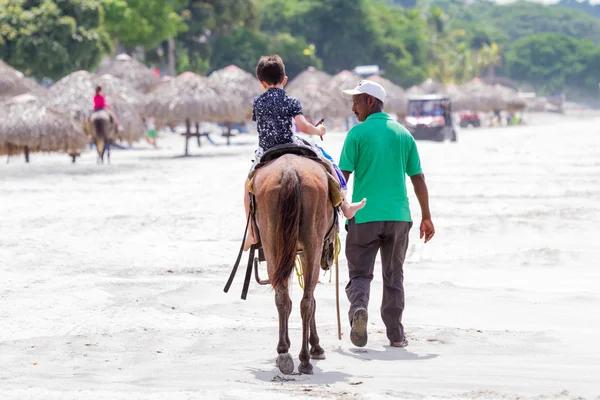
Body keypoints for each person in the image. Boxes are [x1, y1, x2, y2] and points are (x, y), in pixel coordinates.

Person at [338, 80, 435, 348]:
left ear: (370, 101)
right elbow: (419, 179)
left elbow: (341, 178)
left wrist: (335, 208)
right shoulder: (404, 134)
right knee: (394, 275)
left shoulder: (356, 135)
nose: (353, 107)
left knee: (359, 273)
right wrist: (426, 216)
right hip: (398, 218)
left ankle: (359, 308)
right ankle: (395, 333)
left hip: (363, 216)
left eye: (356, 101)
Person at [243, 55, 366, 251]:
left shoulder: (258, 102)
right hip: (292, 144)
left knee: (248, 185)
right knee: (326, 162)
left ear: (261, 82)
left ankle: (252, 232)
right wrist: (318, 131)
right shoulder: (291, 100)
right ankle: (345, 205)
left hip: (267, 151)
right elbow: (302, 125)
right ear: (285, 80)